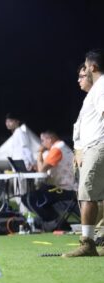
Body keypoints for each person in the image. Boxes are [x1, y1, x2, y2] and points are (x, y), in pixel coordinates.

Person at [63, 49, 104, 257]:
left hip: (98, 146)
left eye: (85, 68)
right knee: (94, 195)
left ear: (93, 67)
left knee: (88, 194)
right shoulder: (94, 92)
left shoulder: (101, 86)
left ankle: (88, 243)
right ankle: (95, 240)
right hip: (93, 148)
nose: (84, 72)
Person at [22, 131, 77, 231]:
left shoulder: (57, 149)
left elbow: (41, 170)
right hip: (66, 187)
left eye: (43, 140)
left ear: (49, 139)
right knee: (29, 197)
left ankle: (55, 223)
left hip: (64, 189)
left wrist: (39, 153)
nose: (41, 143)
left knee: (30, 197)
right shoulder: (62, 147)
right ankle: (54, 221)